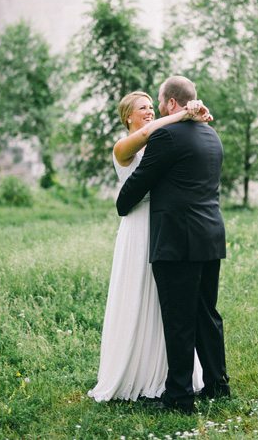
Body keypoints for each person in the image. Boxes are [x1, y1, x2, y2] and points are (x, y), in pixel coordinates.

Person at [116, 76, 230, 414]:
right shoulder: (212, 136)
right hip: (210, 236)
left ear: (168, 104)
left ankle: (179, 395)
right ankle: (217, 385)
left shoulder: (166, 136)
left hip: (177, 241)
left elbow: (139, 183)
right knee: (207, 314)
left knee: (179, 319)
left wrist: (122, 204)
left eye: (156, 104)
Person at [89, 90, 209, 403]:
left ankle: (162, 372)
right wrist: (182, 114)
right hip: (136, 229)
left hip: (162, 227)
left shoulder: (158, 143)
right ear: (128, 116)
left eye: (152, 107)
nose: (150, 111)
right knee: (135, 296)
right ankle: (131, 373)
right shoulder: (123, 147)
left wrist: (196, 119)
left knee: (163, 304)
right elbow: (145, 133)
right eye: (143, 108)